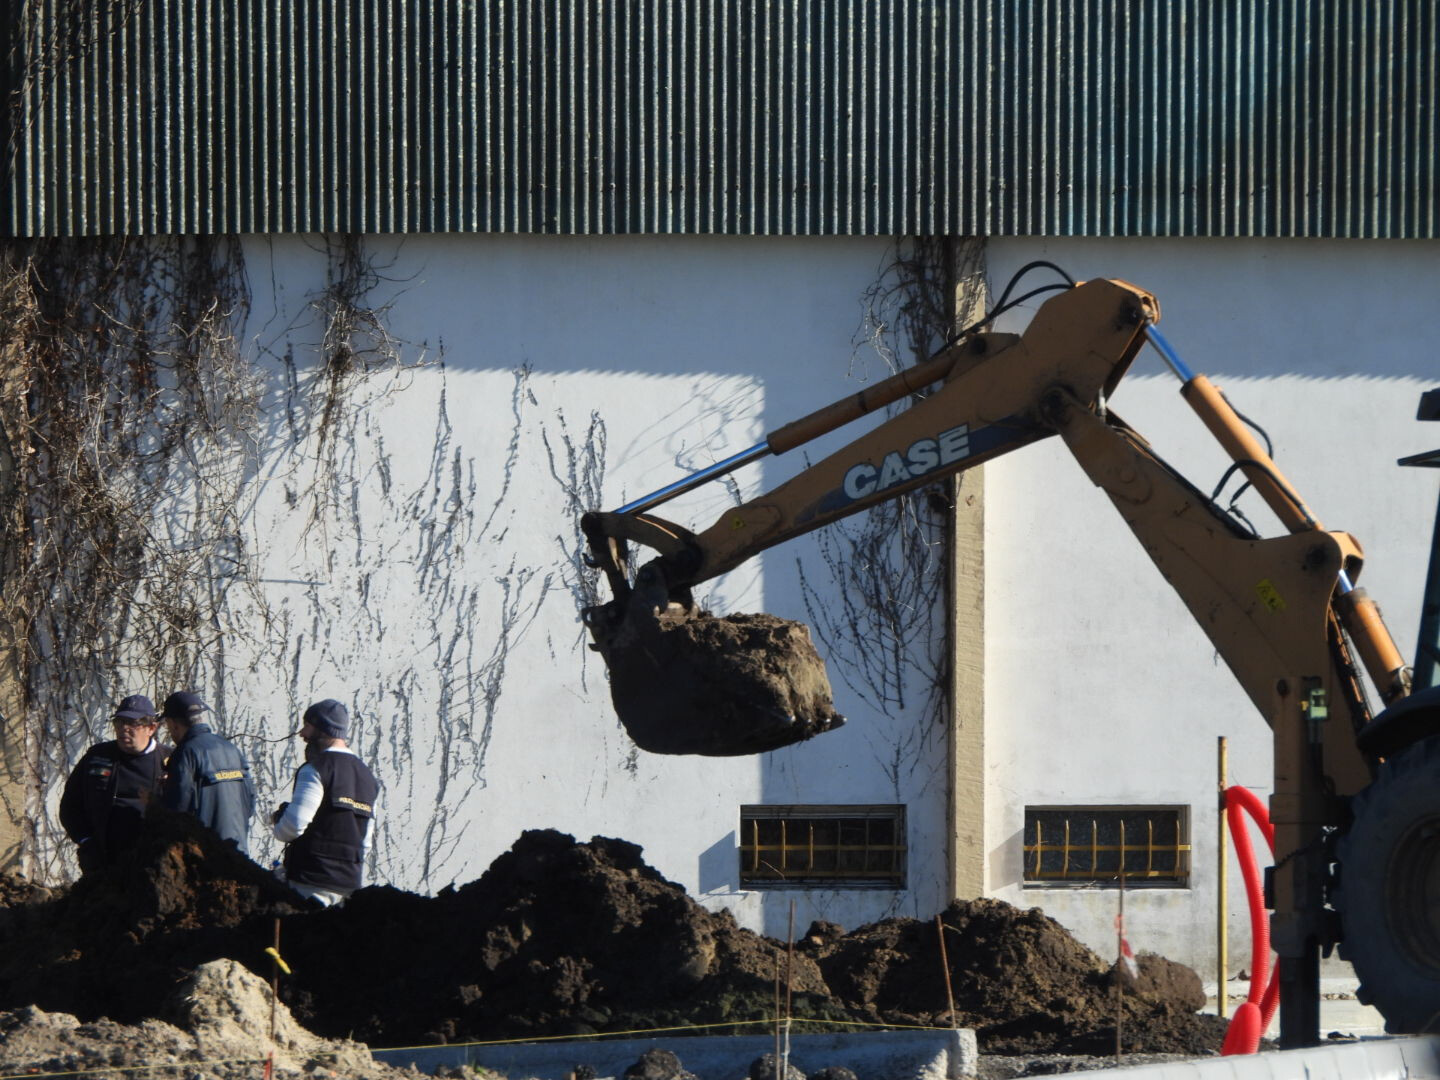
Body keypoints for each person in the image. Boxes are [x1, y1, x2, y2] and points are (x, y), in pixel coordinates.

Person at [272, 699, 379, 907]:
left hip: (308, 885)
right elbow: (365, 842)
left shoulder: (316, 769)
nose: (302, 734)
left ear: (322, 729)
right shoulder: (368, 777)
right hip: (348, 889)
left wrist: (278, 822)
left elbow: (292, 826)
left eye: (307, 727)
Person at [59, 694, 172, 874]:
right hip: (101, 860)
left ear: (151, 728)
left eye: (132, 723)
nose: (123, 729)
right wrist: (86, 840)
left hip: (149, 863)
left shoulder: (169, 762)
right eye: (119, 722)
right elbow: (70, 805)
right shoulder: (98, 756)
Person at [159, 690, 256, 853]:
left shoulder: (185, 753)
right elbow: (250, 803)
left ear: (173, 723)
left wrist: (158, 798)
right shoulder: (231, 749)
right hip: (238, 853)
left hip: (206, 856)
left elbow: (178, 810)